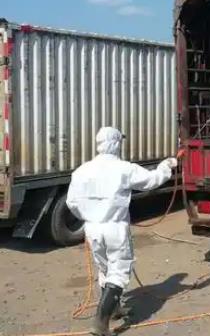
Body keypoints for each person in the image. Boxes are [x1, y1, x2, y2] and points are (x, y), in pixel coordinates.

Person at [66, 127, 177, 336]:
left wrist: (90, 215)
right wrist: (166, 165)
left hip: (92, 229)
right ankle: (100, 323)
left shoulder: (82, 170)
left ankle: (114, 309)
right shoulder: (124, 169)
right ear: (116, 143)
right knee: (118, 272)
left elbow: (71, 203)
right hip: (114, 228)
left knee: (105, 269)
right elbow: (152, 180)